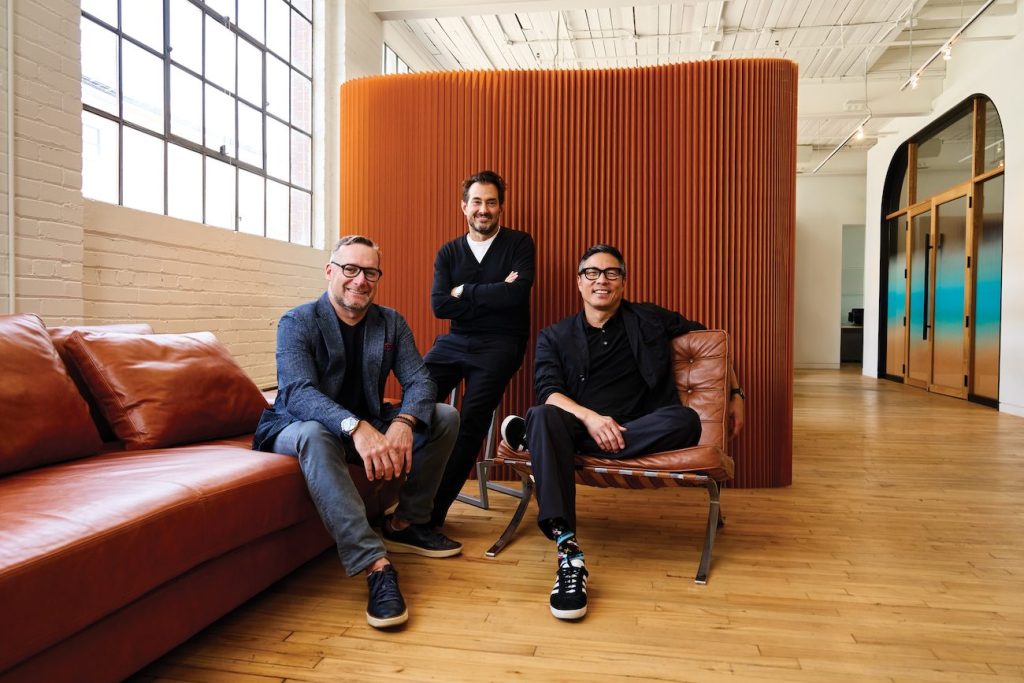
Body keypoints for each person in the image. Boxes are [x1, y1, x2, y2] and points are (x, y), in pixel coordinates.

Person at [500, 244, 745, 620]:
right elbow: (550, 391)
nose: (602, 280)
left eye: (611, 272)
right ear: (579, 282)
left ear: (623, 282)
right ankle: (569, 554)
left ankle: (536, 438)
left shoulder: (650, 319)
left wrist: (735, 392)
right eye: (592, 273)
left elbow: (713, 343)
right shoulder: (555, 336)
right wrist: (593, 420)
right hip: (581, 423)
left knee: (686, 420)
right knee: (545, 413)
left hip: (640, 426)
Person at [253, 235, 463, 630]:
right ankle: (375, 564)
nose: (359, 280)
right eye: (350, 269)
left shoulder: (390, 322)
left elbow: (420, 381)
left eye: (370, 272)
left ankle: (408, 522)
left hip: (367, 419)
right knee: (316, 432)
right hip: (294, 426)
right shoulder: (297, 321)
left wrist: (402, 423)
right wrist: (355, 426)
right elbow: (298, 393)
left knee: (445, 416)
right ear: (330, 271)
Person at [424, 170, 536, 529]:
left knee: (471, 421)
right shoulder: (448, 251)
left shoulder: (520, 243)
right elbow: (440, 306)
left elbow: (516, 295)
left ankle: (432, 513)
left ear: (501, 207)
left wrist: (465, 291)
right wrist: (494, 291)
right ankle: (403, 492)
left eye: (490, 202)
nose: (483, 209)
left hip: (502, 343)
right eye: (476, 202)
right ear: (464, 207)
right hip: (455, 341)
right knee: (416, 399)